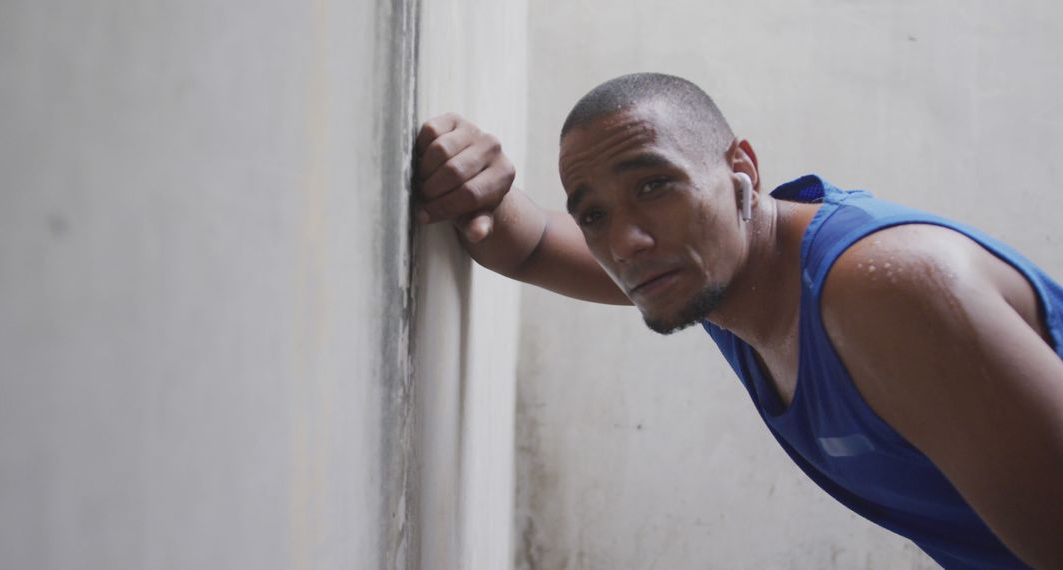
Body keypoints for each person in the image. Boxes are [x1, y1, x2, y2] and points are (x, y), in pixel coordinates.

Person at [413, 73, 1063, 569]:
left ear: (740, 171)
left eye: (653, 186)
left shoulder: (890, 297)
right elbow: (523, 244)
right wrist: (472, 180)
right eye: (593, 215)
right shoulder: (712, 275)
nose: (625, 242)